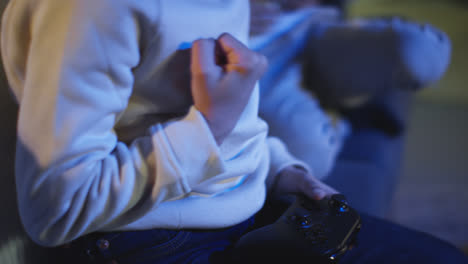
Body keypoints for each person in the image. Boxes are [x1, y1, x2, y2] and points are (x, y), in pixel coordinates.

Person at [1, 0, 467, 263]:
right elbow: (53, 209)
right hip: (150, 237)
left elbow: (229, 121)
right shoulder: (91, 10)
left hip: (249, 208)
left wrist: (281, 170)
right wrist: (209, 126)